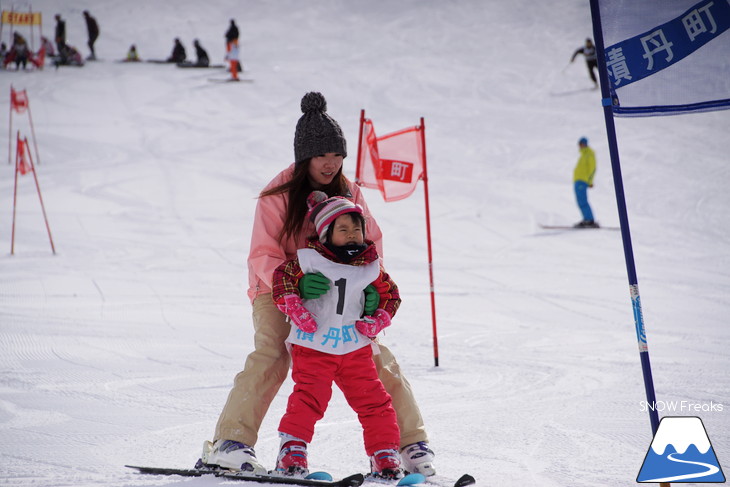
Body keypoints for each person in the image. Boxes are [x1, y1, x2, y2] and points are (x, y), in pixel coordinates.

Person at [199, 92, 435, 477]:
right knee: (274, 353)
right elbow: (261, 253)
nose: (331, 163)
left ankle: (409, 444)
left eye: (337, 155)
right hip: (278, 289)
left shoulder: (350, 192)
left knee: (376, 360)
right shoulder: (277, 195)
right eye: (323, 155)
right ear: (304, 155)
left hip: (344, 291)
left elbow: (372, 242)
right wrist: (294, 283)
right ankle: (230, 442)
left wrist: (372, 288)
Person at [272, 191, 403, 479]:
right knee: (309, 398)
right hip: (315, 344)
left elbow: (391, 295)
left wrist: (378, 316)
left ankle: (384, 453)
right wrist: (294, 304)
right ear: (326, 234)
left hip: (354, 347)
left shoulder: (370, 266)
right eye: (343, 229)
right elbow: (281, 278)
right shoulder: (309, 260)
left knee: (374, 401)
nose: (353, 235)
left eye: (357, 228)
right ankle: (292, 449)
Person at [573, 137, 598, 228]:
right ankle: (587, 219)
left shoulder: (589, 154)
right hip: (578, 181)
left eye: (581, 143)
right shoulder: (583, 155)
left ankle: (589, 220)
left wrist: (590, 181)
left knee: (582, 200)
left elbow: (593, 169)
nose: (579, 146)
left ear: (585, 144)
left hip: (582, 181)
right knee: (580, 201)